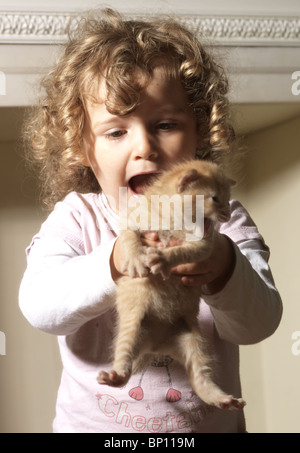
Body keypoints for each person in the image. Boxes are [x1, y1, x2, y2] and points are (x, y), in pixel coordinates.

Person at [19, 8, 282, 433]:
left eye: (165, 124)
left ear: (199, 134)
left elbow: (258, 324)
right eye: (116, 132)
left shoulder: (222, 220)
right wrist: (116, 260)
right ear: (83, 149)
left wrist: (224, 267)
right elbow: (40, 308)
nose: (145, 146)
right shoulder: (79, 217)